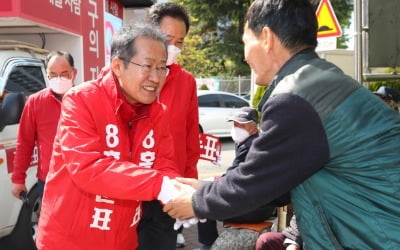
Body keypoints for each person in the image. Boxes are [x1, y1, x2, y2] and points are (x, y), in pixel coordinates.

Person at [163, 0, 400, 249]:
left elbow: (255, 182)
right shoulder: (321, 81)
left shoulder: (296, 97)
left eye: (245, 42)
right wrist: (209, 188)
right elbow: (277, 181)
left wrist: (197, 201)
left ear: (266, 38)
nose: (245, 56)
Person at [36, 24, 182, 250]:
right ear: (117, 65)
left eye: (162, 68)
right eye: (148, 66)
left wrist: (177, 193)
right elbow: (87, 167)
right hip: (70, 241)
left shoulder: (157, 112)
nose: (156, 77)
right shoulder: (81, 100)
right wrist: (159, 185)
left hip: (122, 239)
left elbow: (164, 163)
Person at [138, 3, 200, 250]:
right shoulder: (128, 74)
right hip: (129, 189)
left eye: (180, 42)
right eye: (168, 38)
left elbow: (190, 138)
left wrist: (188, 190)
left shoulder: (186, 83)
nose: (173, 47)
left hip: (168, 190)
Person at [196, 107, 276, 250]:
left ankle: (207, 246)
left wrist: (215, 181)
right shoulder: (249, 140)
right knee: (209, 191)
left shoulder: (251, 145)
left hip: (256, 209)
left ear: (253, 126)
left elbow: (232, 175)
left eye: (242, 124)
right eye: (235, 124)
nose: (237, 128)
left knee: (204, 201)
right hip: (258, 202)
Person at [11, 50, 77, 200]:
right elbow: (24, 142)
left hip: (81, 182)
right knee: (52, 223)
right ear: (47, 75)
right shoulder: (35, 102)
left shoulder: (86, 99)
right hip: (49, 182)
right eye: (53, 75)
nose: (58, 79)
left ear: (74, 73)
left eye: (64, 73)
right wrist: (18, 179)